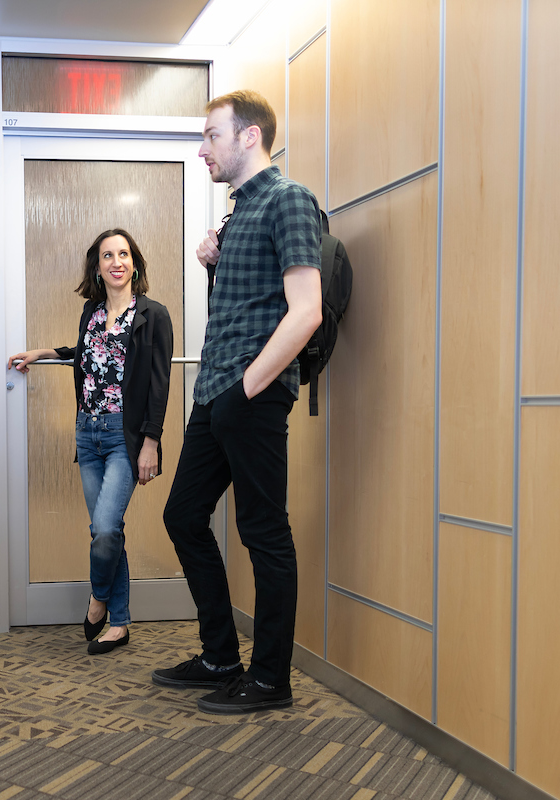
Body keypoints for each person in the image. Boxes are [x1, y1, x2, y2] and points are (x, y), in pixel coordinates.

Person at [152, 90, 323, 713]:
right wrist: (212, 265)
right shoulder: (237, 213)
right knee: (182, 516)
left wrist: (251, 382)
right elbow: (248, 306)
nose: (203, 148)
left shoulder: (289, 200)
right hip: (215, 392)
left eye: (211, 135)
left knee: (263, 532)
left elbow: (306, 311)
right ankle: (221, 655)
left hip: (247, 393)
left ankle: (271, 677)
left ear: (249, 137)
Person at [8, 229, 174, 655]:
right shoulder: (92, 313)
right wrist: (43, 353)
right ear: (97, 267)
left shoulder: (153, 315)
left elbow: (159, 384)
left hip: (125, 435)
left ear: (134, 263)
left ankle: (98, 598)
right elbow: (84, 354)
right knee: (109, 530)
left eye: (123, 254)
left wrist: (151, 442)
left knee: (103, 529)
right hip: (88, 431)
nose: (116, 261)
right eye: (107, 255)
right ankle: (119, 623)